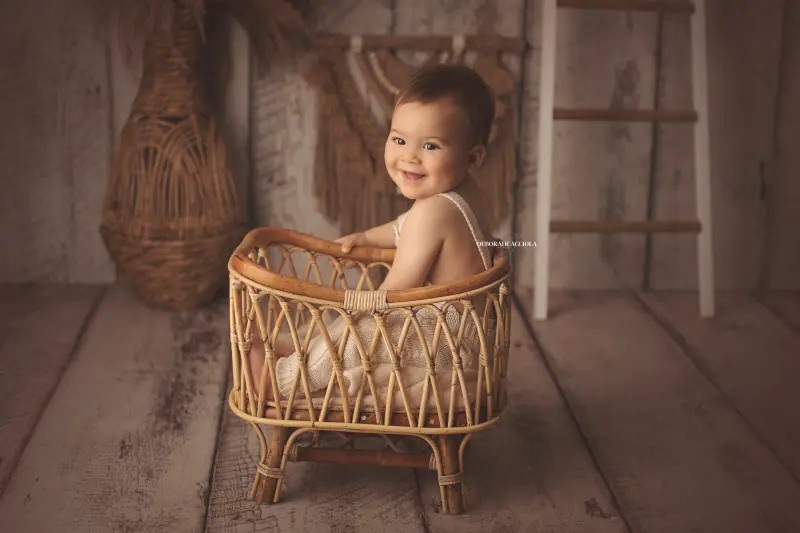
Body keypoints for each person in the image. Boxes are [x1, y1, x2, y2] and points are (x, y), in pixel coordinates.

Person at [249, 63, 499, 406]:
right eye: (399, 139)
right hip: (465, 334)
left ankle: (283, 381)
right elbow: (405, 229)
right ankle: (309, 348)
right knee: (357, 324)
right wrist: (366, 237)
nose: (409, 156)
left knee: (365, 329)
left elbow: (393, 295)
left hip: (446, 345)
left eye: (430, 146)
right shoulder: (462, 193)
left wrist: (358, 311)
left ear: (472, 158)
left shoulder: (433, 211)